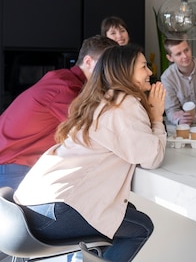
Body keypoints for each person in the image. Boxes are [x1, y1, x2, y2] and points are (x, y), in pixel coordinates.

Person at [14, 44, 167, 262]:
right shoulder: (123, 103)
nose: (150, 72)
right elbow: (152, 158)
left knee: (124, 213)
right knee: (142, 227)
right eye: (144, 67)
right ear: (125, 70)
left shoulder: (97, 100)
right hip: (57, 209)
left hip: (31, 203)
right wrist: (157, 117)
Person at [0, 35, 118, 190]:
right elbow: (94, 134)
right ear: (88, 62)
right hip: (13, 166)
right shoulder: (66, 89)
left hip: (17, 163)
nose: (115, 71)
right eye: (110, 64)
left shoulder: (66, 80)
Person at [160, 39, 196, 126]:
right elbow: (171, 109)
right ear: (170, 58)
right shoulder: (167, 78)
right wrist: (180, 120)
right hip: (187, 126)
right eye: (178, 54)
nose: (185, 56)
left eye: (186, 50)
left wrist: (195, 118)